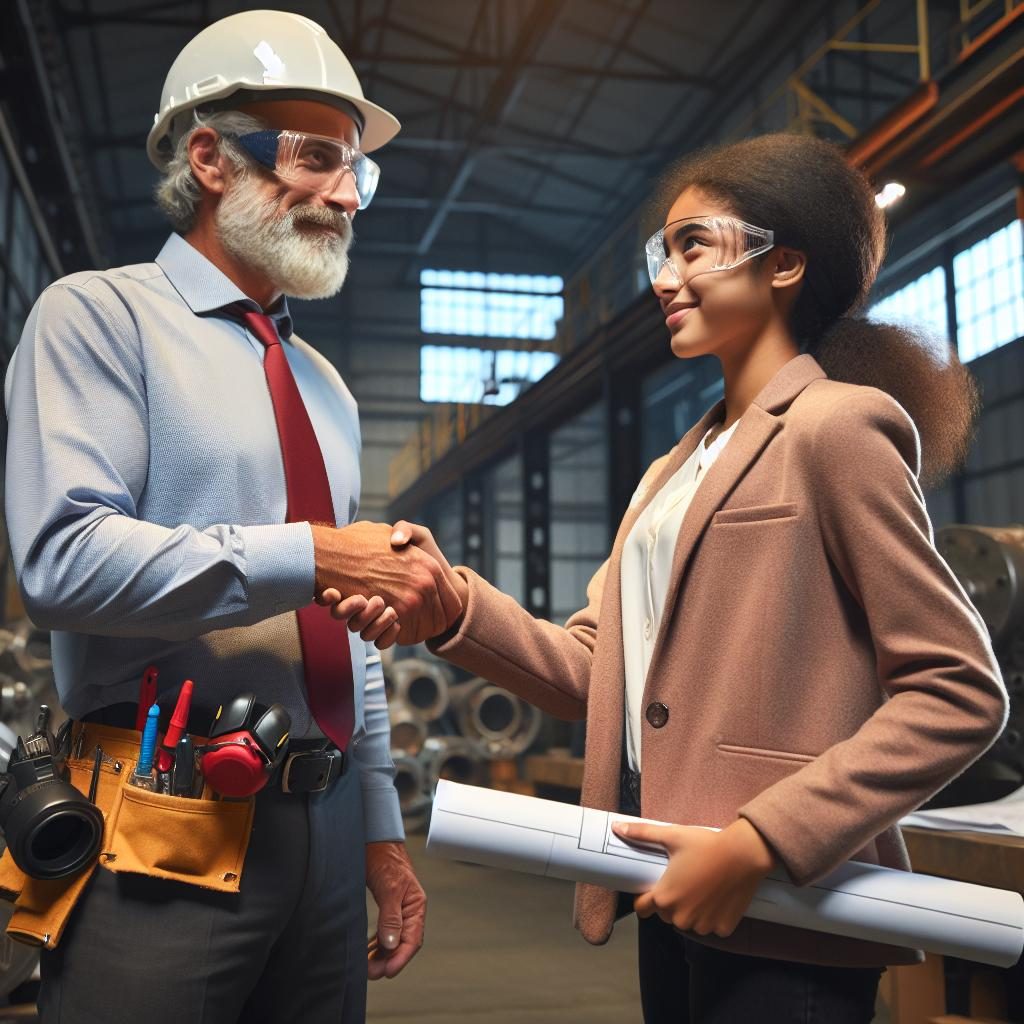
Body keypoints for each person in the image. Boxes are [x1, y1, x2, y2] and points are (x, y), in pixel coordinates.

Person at [324, 133, 1010, 1023]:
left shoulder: (836, 430)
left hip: (782, 902)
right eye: (664, 251)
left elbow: (959, 691)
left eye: (695, 246)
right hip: (666, 885)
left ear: (785, 265)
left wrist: (765, 840)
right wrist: (453, 608)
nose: (665, 277)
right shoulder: (669, 474)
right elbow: (593, 672)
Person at [4, 11, 462, 1023]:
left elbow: (348, 629)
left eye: (356, 171)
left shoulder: (325, 386)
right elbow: (63, 559)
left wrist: (380, 824)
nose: (346, 194)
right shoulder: (97, 319)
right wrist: (311, 552)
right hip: (165, 817)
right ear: (207, 156)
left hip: (328, 819)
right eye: (315, 158)